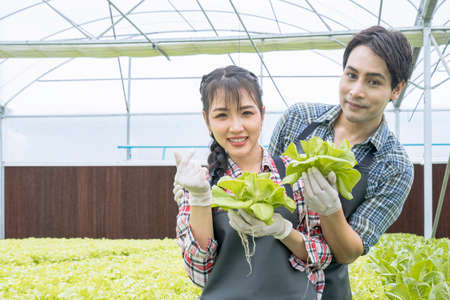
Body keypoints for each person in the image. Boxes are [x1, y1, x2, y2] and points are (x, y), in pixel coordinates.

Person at [269, 25, 414, 299]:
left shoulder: (394, 166)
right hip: (264, 278)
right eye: (351, 75)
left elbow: (349, 252)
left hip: (324, 289)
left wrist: (331, 210)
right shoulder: (299, 118)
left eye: (373, 81)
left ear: (396, 89)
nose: (356, 91)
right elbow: (263, 180)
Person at [173, 65, 332, 299]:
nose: (236, 127)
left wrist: (284, 231)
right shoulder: (200, 183)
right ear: (207, 120)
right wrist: (199, 198)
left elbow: (323, 256)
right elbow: (201, 274)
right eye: (222, 115)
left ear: (262, 114)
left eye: (246, 113)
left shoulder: (294, 173)